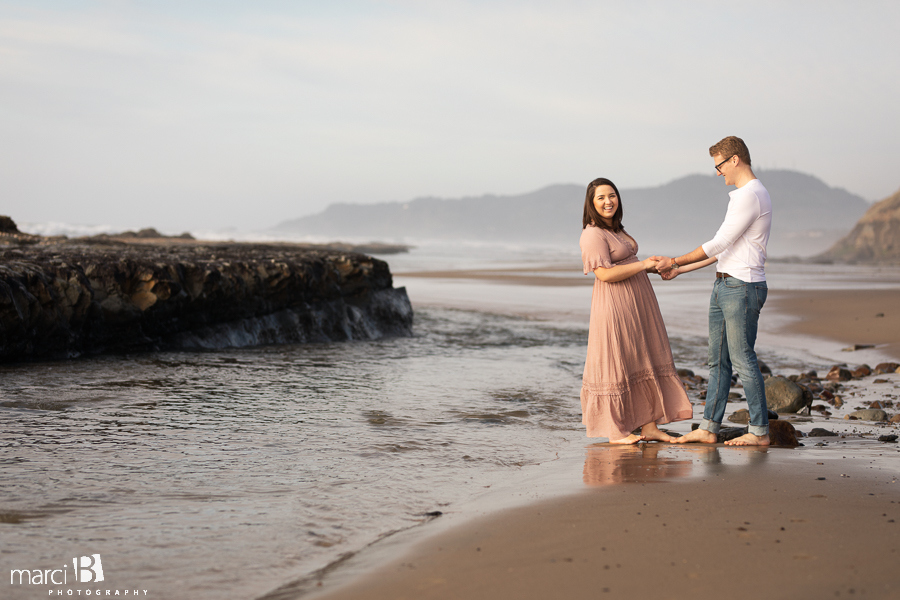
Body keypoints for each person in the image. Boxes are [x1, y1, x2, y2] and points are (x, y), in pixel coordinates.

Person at [653, 136, 772, 446]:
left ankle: (759, 432)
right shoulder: (744, 196)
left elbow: (717, 243)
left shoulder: (750, 195)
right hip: (725, 284)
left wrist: (674, 259)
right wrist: (681, 270)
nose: (718, 172)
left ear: (735, 160)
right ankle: (708, 428)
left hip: (742, 287)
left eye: (719, 165)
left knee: (742, 359)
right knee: (717, 361)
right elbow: (723, 252)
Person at [580, 177, 693, 444]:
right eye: (601, 198)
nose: (608, 201)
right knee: (617, 360)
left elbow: (629, 263)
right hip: (615, 304)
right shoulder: (592, 233)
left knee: (642, 357)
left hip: (639, 302)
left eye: (612, 196)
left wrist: (655, 267)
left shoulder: (617, 230)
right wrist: (643, 265)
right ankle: (616, 431)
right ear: (592, 204)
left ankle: (649, 426)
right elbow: (604, 275)